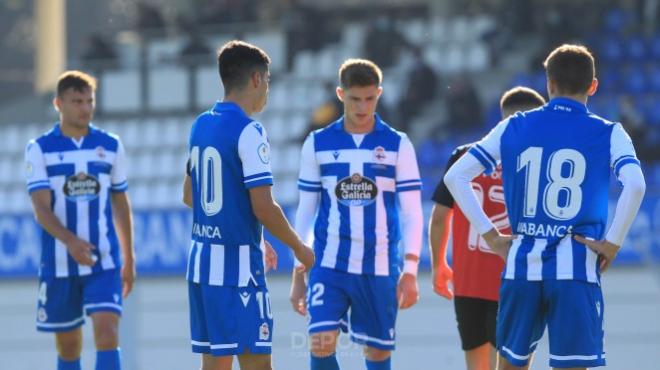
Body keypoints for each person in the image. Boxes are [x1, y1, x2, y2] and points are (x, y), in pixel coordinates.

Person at [444, 44, 647, 370]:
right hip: (576, 267)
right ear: (593, 86)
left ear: (548, 83)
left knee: (510, 366)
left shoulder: (514, 125)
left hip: (521, 263)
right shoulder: (609, 132)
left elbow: (457, 177)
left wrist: (492, 235)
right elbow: (636, 185)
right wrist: (612, 243)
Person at [181, 40, 315, 370]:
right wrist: (299, 248)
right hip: (236, 269)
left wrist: (256, 236)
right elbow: (264, 207)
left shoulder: (202, 124)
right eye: (267, 81)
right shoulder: (249, 131)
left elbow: (189, 195)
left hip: (201, 264)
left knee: (214, 364)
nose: (267, 90)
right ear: (256, 79)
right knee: (257, 363)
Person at [289, 58, 423, 370]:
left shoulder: (398, 144)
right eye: (354, 99)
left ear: (379, 93)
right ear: (340, 94)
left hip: (378, 266)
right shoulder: (317, 143)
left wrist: (411, 270)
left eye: (369, 98)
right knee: (321, 344)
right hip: (329, 263)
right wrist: (299, 272)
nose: (363, 107)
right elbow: (306, 210)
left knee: (376, 354)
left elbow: (413, 212)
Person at [429, 86, 546, 370]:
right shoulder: (540, 164)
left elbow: (440, 216)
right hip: (514, 280)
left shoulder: (464, 156)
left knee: (476, 365)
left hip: (468, 283)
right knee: (512, 365)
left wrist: (438, 265)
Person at [25, 70, 135, 370]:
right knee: (69, 345)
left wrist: (130, 258)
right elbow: (41, 209)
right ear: (58, 103)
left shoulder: (110, 145)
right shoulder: (40, 149)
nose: (85, 108)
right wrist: (71, 242)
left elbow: (120, 202)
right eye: (77, 101)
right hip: (59, 263)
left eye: (89, 101)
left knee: (108, 332)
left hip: (104, 261)